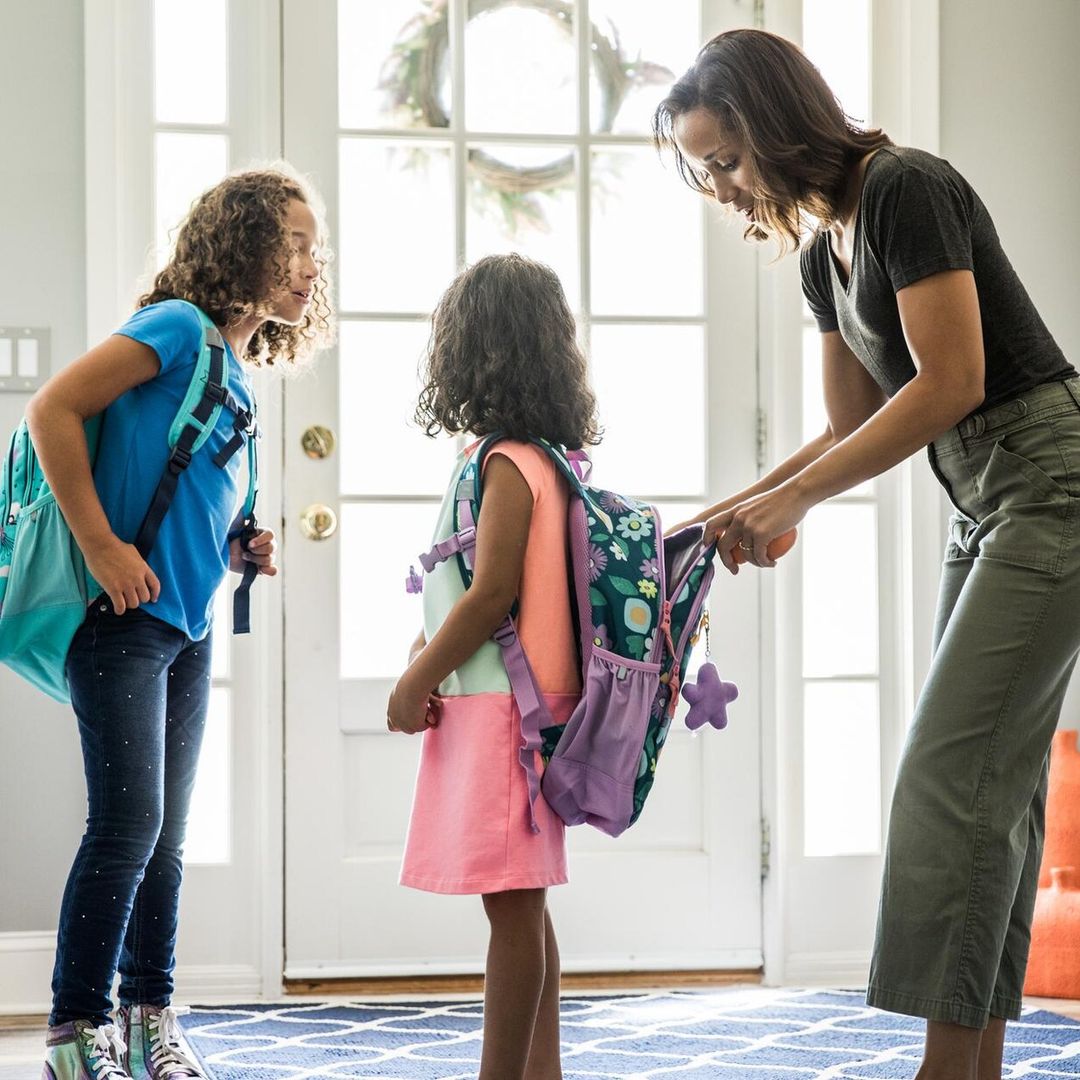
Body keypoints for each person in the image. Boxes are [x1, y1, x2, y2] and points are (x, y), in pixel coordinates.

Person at [654, 28, 1077, 1080]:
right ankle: (969, 1064)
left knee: (949, 781)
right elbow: (853, 426)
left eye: (727, 160)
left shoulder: (905, 190)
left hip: (1049, 478)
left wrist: (794, 498)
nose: (722, 187)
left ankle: (946, 1068)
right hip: (982, 499)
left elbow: (951, 381)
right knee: (992, 788)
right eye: (705, 170)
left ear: (779, 123)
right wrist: (723, 516)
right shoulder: (818, 254)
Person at [30, 166, 334, 1080]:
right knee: (126, 826)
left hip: (185, 625)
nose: (309, 265)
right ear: (240, 242)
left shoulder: (232, 368)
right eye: (292, 243)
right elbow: (54, 410)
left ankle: (149, 1018)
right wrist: (101, 548)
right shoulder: (175, 327)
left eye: (315, 248)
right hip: (122, 614)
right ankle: (74, 1038)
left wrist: (242, 544)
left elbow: (186, 484)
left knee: (163, 835)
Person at [389, 253, 599, 1080]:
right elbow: (468, 591)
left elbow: (491, 596)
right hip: (510, 707)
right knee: (522, 905)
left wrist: (415, 680)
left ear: (471, 351)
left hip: (503, 715)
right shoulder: (539, 457)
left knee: (512, 912)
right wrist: (426, 653)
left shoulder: (508, 461)